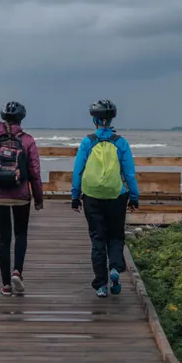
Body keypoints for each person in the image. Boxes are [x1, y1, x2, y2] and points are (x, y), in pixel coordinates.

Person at [71, 99, 139, 298]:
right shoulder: (120, 142)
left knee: (97, 238)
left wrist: (75, 195)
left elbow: (77, 171)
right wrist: (134, 197)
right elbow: (129, 174)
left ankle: (101, 285)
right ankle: (115, 269)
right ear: (111, 120)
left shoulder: (88, 141)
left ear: (94, 119)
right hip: (116, 196)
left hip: (92, 196)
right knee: (116, 236)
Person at [0, 101, 44, 296]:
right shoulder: (27, 141)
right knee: (21, 234)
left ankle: (6, 285)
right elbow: (35, 172)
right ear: (21, 119)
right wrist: (38, 198)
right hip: (21, 195)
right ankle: (18, 271)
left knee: (4, 238)